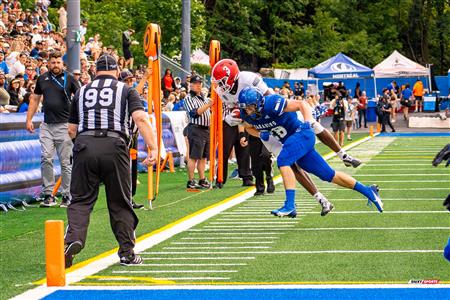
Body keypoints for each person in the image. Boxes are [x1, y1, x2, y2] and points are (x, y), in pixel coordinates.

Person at [64, 54, 158, 268]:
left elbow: (71, 129)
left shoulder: (81, 91)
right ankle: (127, 253)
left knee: (80, 200)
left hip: (85, 144)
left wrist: (84, 146)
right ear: (117, 71)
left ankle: (74, 239)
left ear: (95, 71)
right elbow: (140, 118)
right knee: (120, 202)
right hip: (115, 145)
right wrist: (152, 148)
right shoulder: (126, 90)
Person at [238, 87, 383, 218]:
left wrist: (307, 122)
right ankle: (368, 191)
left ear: (259, 103)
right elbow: (249, 127)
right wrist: (261, 133)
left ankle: (290, 205)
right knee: (329, 175)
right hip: (293, 143)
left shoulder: (272, 103)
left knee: (283, 160)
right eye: (245, 108)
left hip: (301, 134)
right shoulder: (247, 115)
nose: (248, 111)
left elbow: (302, 104)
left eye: (250, 107)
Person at [26, 51, 80, 207]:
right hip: (47, 125)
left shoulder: (69, 78)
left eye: (58, 62)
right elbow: (35, 99)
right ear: (48, 63)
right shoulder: (42, 79)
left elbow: (79, 97)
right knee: (46, 158)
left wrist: (76, 122)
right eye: (53, 62)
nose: (56, 65)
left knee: (65, 162)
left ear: (62, 64)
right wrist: (29, 119)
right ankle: (48, 194)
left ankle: (67, 195)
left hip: (65, 125)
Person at [184, 75, 212, 189]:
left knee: (203, 156)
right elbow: (194, 113)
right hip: (196, 128)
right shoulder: (188, 98)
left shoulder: (202, 97)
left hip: (205, 129)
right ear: (190, 85)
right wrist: (208, 105)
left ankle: (202, 179)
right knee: (194, 156)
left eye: (200, 83)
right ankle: (191, 180)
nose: (198, 85)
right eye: (196, 83)